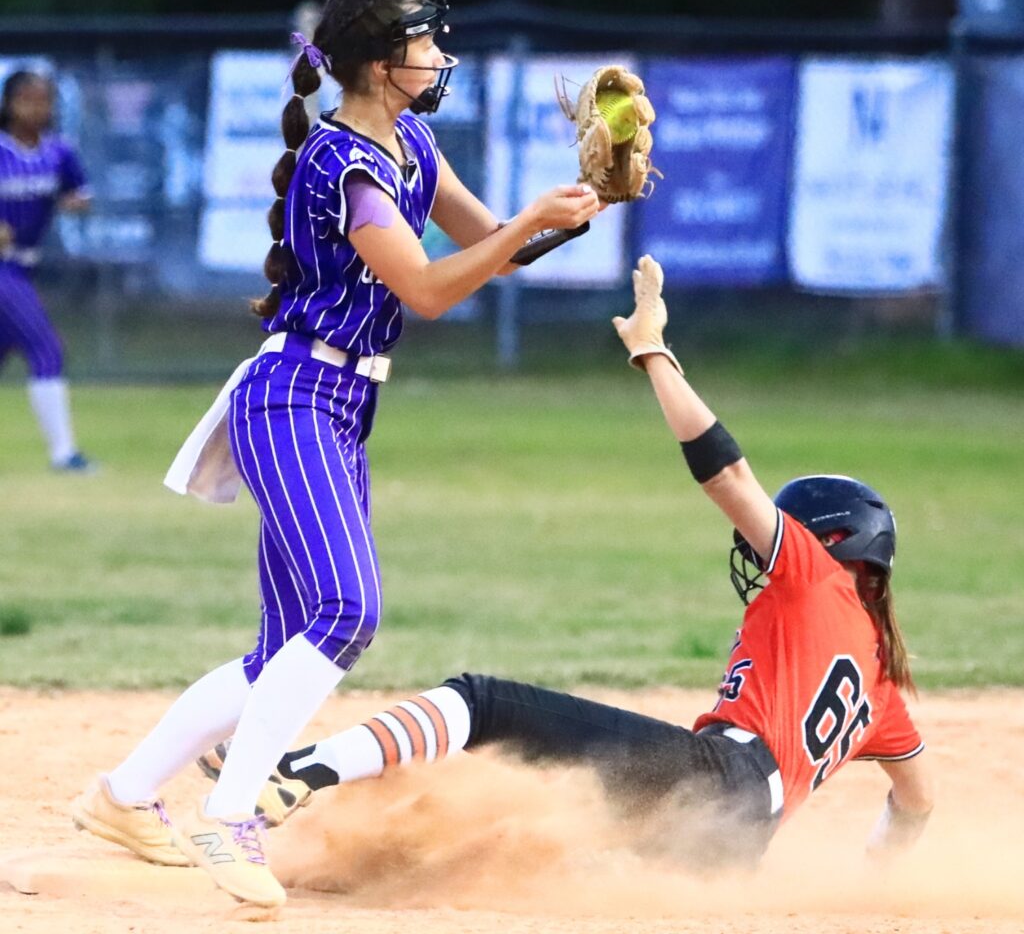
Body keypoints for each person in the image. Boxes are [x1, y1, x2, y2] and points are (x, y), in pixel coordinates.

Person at [71, 0, 600, 909]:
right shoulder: (342, 162)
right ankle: (231, 818)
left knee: (285, 645)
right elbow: (429, 292)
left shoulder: (413, 144)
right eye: (421, 41)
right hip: (295, 396)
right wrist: (527, 219)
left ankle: (124, 795)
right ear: (374, 63)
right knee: (348, 610)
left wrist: (591, 198)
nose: (438, 56)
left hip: (340, 405)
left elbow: (500, 251)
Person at [199, 255, 934, 872]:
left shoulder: (816, 575)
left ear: (834, 545)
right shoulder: (881, 678)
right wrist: (875, 879)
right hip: (729, 848)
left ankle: (291, 773)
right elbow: (916, 804)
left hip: (716, 779)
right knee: (525, 835)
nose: (765, 547)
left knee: (480, 702)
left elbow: (728, 478)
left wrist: (653, 351)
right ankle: (353, 867)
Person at [0, 69, 94, 472]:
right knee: (46, 349)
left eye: (45, 100)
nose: (38, 108)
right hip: (4, 269)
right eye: (28, 99)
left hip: (25, 266)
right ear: (9, 103)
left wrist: (72, 202)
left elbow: (81, 193)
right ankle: (64, 454)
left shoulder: (58, 151)